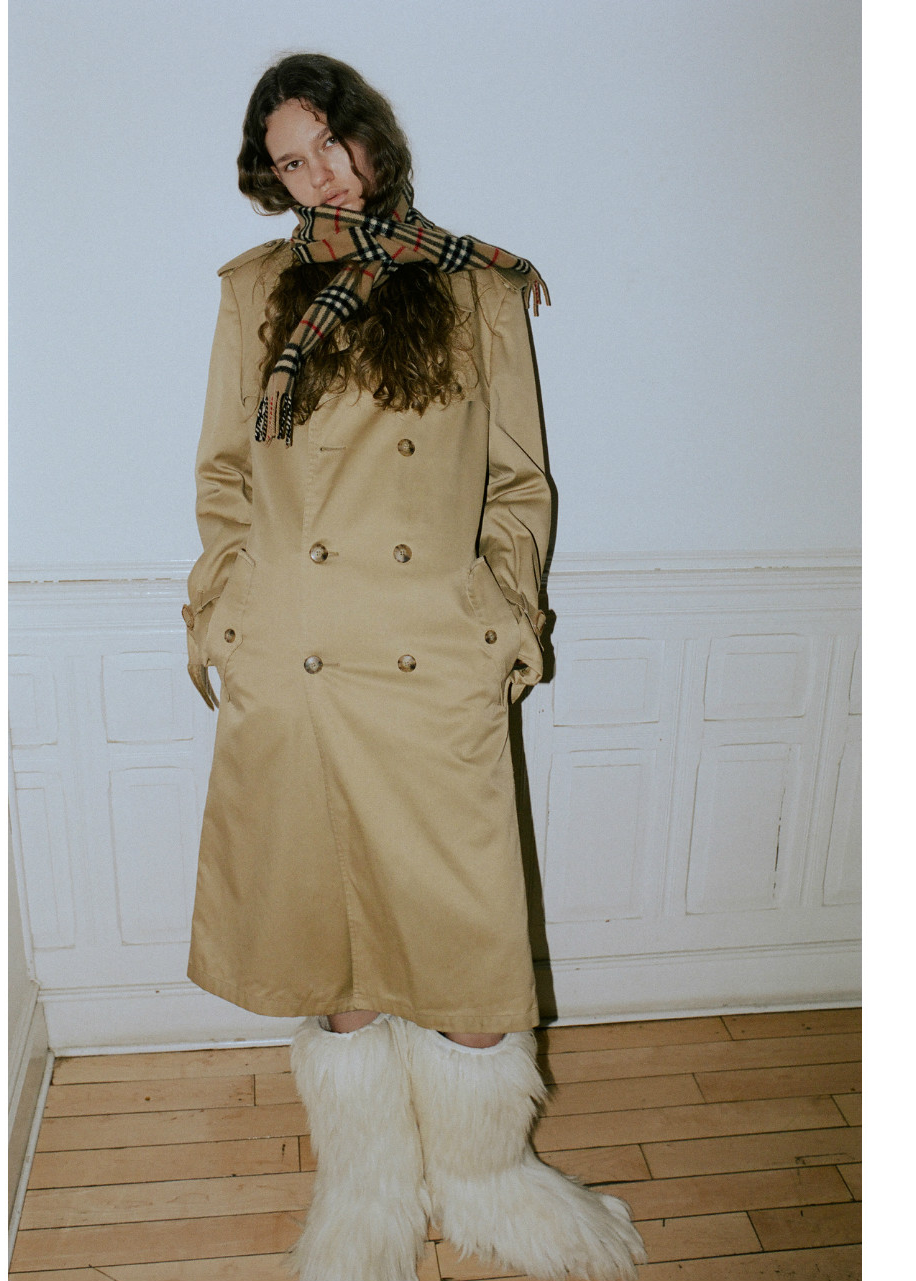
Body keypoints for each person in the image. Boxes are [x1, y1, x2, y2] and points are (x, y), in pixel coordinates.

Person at [182, 52, 646, 1281]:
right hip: (299, 663)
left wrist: (499, 624)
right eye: (290, 163)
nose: (320, 176)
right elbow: (224, 476)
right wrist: (222, 614)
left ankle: (488, 1184)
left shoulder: (479, 287)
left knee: (464, 952)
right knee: (336, 955)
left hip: (431, 659)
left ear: (371, 138)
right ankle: (367, 1197)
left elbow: (519, 486)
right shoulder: (254, 292)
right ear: (272, 180)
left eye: (330, 145)